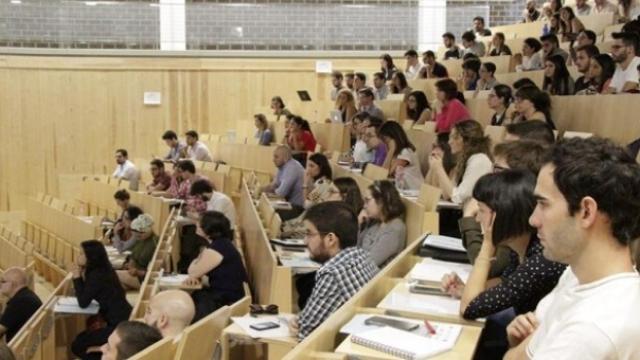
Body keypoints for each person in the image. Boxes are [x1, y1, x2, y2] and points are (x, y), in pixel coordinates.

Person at [504, 138, 640, 359]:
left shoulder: (591, 331)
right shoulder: (577, 275)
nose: (533, 219)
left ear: (586, 212)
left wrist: (522, 346)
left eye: (543, 204)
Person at [442, 170, 565, 316]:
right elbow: (505, 282)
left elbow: (468, 308)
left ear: (502, 215)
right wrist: (466, 289)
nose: (477, 219)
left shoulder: (542, 259)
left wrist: (487, 245)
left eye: (481, 210)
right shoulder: (520, 246)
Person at [291, 202, 379, 340]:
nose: (304, 241)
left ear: (331, 239)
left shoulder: (332, 273)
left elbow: (304, 332)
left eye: (309, 234)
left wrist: (297, 324)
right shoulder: (364, 256)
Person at [71, 240, 132, 360]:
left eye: (82, 253)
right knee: (81, 338)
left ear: (91, 256)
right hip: (119, 318)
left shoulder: (97, 275)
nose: (78, 256)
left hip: (117, 324)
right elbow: (86, 294)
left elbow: (83, 302)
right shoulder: (102, 270)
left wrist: (76, 277)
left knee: (78, 345)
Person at [185, 211, 247, 322]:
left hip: (226, 300)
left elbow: (192, 271)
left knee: (193, 299)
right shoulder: (223, 243)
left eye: (200, 223)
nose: (197, 224)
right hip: (227, 295)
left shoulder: (217, 249)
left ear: (208, 230)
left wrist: (200, 257)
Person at [426, 120, 493, 206]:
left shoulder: (479, 160)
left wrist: (439, 169)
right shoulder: (464, 159)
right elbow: (447, 194)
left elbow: (458, 198)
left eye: (454, 137)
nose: (449, 142)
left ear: (465, 140)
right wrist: (434, 168)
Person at [358, 180, 406, 267]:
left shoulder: (394, 229)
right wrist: (359, 224)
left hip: (372, 277)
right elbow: (355, 248)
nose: (364, 206)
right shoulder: (375, 222)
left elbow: (369, 264)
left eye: (367, 201)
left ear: (381, 201)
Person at [378, 121, 424, 191]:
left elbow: (386, 173)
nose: (385, 144)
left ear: (394, 137)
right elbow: (382, 174)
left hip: (415, 191)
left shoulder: (406, 152)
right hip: (405, 190)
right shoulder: (397, 153)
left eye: (386, 140)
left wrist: (391, 150)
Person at [116, 214, 157, 290]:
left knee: (111, 275)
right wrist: (130, 265)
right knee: (114, 285)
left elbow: (155, 271)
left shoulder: (154, 243)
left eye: (141, 233)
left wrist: (138, 272)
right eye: (136, 233)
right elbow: (133, 256)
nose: (138, 235)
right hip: (134, 274)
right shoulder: (141, 240)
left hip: (143, 278)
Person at [0, 267, 42, 342]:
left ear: (13, 283)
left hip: (17, 351)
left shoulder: (21, 302)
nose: (0, 285)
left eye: (3, 281)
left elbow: (1, 328)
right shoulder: (26, 295)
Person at [260, 145, 305, 210]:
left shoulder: (292, 168)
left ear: (285, 158)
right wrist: (260, 190)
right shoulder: (282, 165)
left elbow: (281, 193)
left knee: (266, 208)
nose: (273, 160)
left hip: (297, 207)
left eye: (276, 157)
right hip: (288, 203)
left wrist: (264, 193)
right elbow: (274, 185)